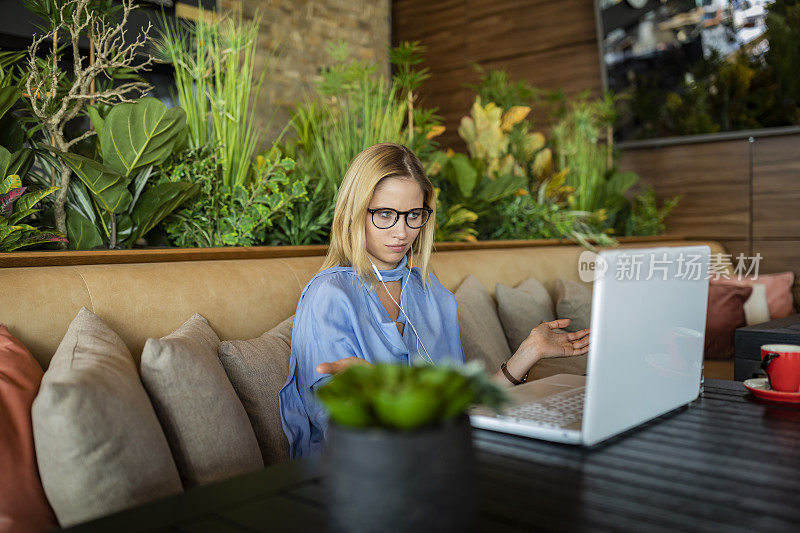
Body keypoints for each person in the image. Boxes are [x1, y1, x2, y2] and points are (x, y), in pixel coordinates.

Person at [278, 143, 590, 458]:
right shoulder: (330, 295)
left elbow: (462, 410)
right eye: (385, 214)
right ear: (355, 212)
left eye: (413, 214)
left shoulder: (430, 292)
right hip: (362, 474)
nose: (402, 231)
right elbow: (344, 433)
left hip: (440, 459)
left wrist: (528, 352)